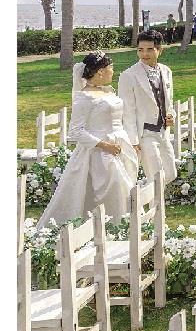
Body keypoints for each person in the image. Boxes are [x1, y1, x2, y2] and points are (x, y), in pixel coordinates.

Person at [37, 52, 139, 229]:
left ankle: (123, 228)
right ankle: (115, 227)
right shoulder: (85, 97)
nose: (113, 71)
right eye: (110, 68)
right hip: (100, 154)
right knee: (114, 187)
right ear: (100, 72)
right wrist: (104, 145)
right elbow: (75, 131)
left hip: (119, 146)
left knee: (124, 187)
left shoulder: (106, 91)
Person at [118, 30, 178, 186]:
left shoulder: (166, 71)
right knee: (156, 178)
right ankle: (154, 208)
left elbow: (168, 101)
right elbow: (127, 112)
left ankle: (139, 192)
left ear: (160, 50)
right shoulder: (128, 76)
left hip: (163, 132)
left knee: (171, 173)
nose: (144, 54)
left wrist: (171, 115)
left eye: (149, 49)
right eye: (140, 50)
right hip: (144, 134)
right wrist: (133, 142)